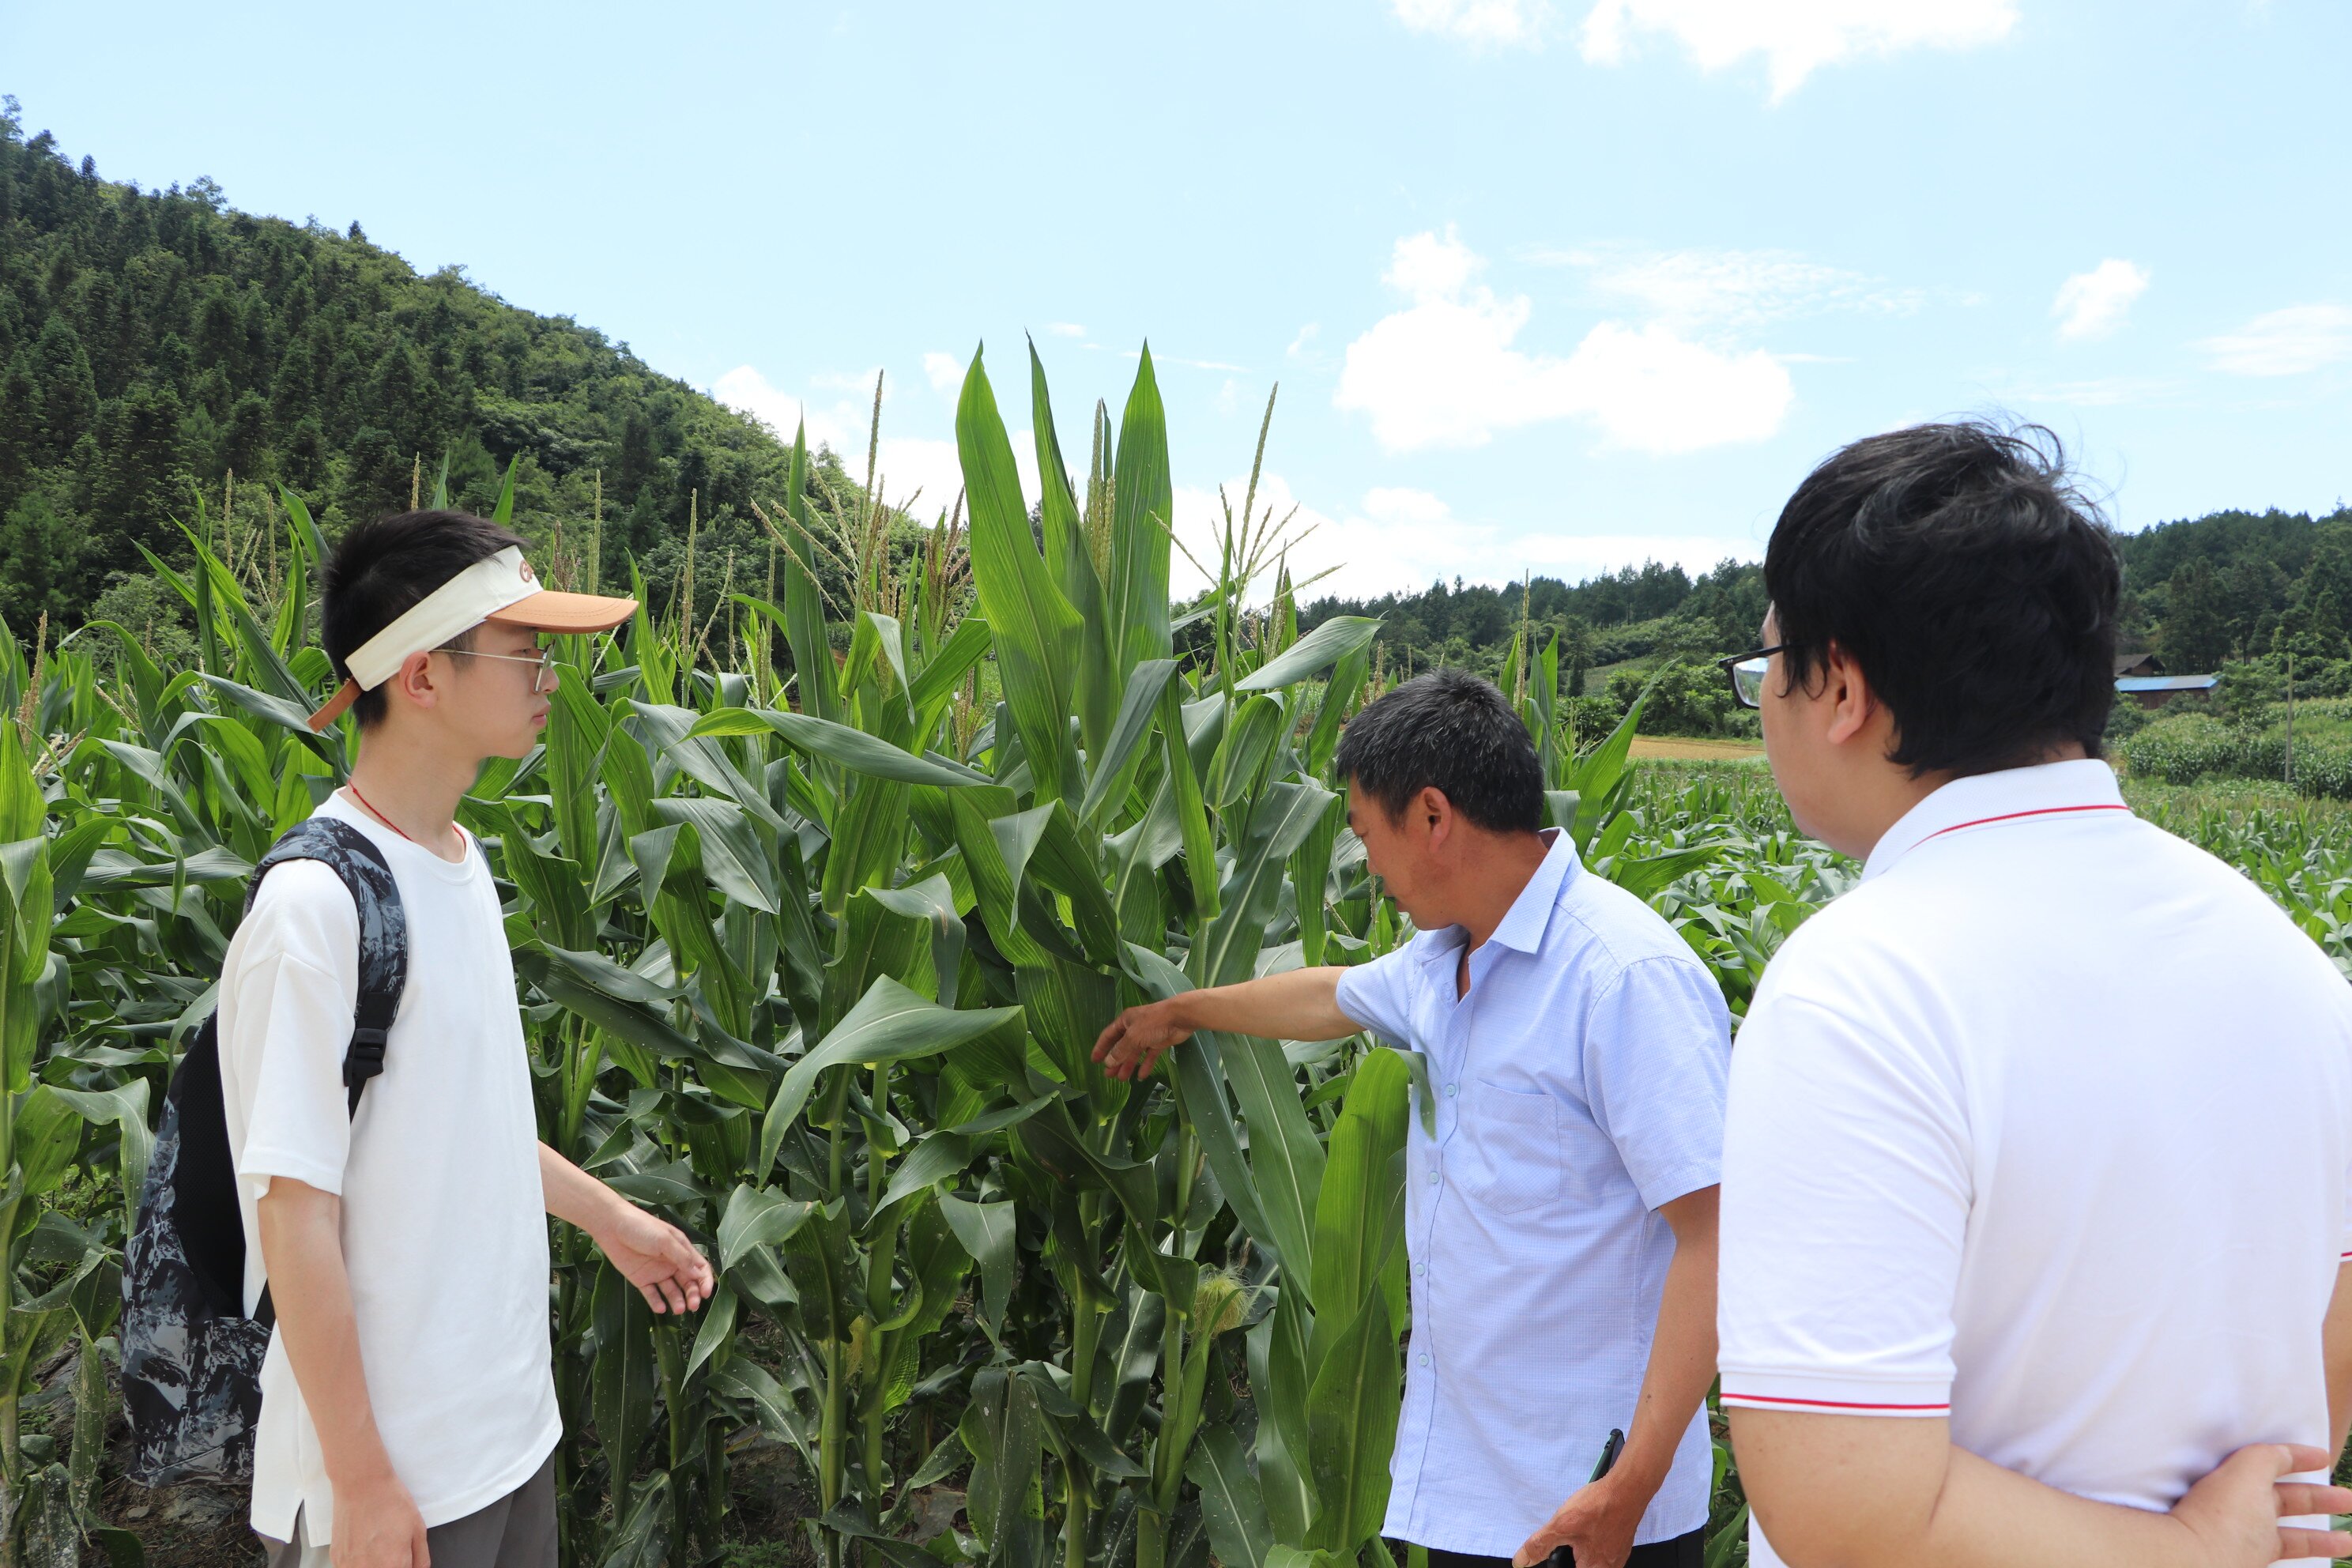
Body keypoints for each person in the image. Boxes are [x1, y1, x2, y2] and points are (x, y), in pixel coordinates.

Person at [1714, 422, 2352, 1568]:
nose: (1762, 698)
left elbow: (1846, 1508)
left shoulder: (1863, 984)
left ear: (1842, 686)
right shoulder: (2291, 965)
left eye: (1768, 662)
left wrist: (2196, 1552)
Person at [1095, 669, 1729, 1568]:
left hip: (1592, 1506)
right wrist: (1185, 1010)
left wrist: (1629, 1488)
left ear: (1432, 816)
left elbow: (1715, 1236)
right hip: (1469, 1493)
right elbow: (1328, 997)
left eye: (1365, 835)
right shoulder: (1443, 962)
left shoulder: (1621, 977)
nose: (1367, 866)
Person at [222, 510, 716, 1568]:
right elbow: (291, 1211)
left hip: (505, 1439)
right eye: (522, 648)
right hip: (389, 1484)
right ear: (422, 676)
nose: (548, 674)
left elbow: (458, 1122)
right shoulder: (316, 906)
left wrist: (610, 1218)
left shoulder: (459, 863)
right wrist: (361, 1484)